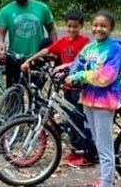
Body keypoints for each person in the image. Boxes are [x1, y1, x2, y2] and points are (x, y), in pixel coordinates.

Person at [21, 10, 94, 166]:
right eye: (70, 26)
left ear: (81, 26)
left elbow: (83, 60)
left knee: (80, 119)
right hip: (67, 86)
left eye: (75, 26)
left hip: (80, 87)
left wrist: (64, 66)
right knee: (69, 119)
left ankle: (86, 153)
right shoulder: (63, 41)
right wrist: (29, 60)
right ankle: (75, 151)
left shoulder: (85, 41)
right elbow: (47, 50)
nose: (72, 29)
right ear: (66, 26)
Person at [66, 10, 121, 187]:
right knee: (98, 142)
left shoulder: (115, 48)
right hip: (88, 99)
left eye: (104, 26)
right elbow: (77, 65)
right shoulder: (90, 47)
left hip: (105, 101)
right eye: (96, 25)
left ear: (110, 28)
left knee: (105, 146)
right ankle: (105, 179)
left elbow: (106, 75)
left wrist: (79, 77)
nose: (99, 29)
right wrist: (64, 71)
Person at [0, 0, 58, 87]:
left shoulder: (42, 8)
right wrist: (0, 42)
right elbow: (0, 33)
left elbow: (51, 29)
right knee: (13, 94)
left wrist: (55, 47)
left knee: (36, 94)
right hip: (14, 58)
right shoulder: (6, 10)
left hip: (37, 57)